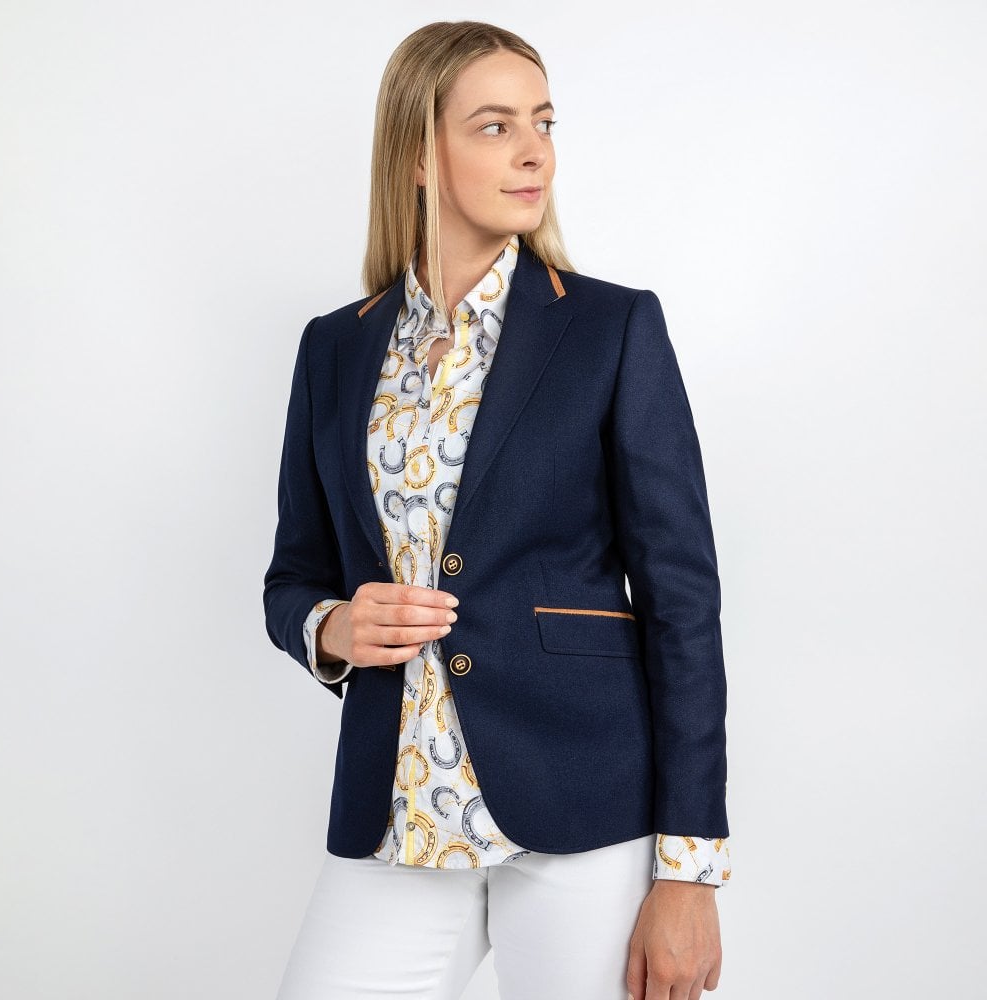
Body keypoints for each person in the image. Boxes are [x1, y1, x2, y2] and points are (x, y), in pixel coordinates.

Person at [263, 19, 731, 1000]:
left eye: (543, 122)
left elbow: (682, 601)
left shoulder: (611, 327)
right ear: (417, 152)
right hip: (397, 806)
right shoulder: (335, 348)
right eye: (493, 125)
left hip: (583, 803)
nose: (533, 152)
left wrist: (688, 869)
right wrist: (334, 626)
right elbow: (293, 574)